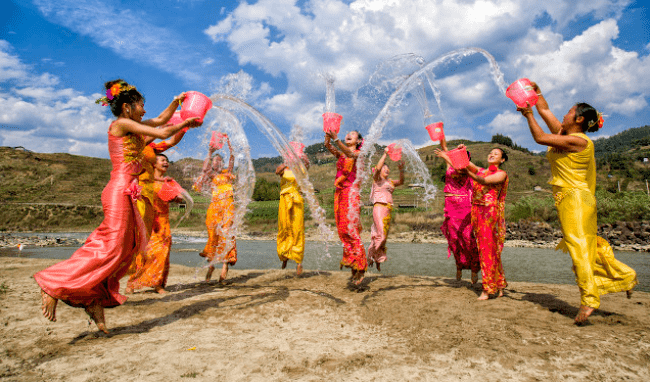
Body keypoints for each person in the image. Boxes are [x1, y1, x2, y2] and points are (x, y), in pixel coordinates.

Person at [34, 79, 201, 333]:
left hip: (129, 192)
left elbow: (159, 120)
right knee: (110, 244)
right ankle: (52, 284)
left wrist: (176, 103)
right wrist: (187, 122)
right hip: (119, 190)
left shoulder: (134, 127)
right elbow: (163, 131)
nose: (144, 111)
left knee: (126, 248)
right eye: (141, 106)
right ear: (127, 107)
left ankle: (92, 298)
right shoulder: (120, 124)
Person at [517, 82, 637, 324]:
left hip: (576, 199)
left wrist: (528, 115)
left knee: (579, 247)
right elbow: (546, 111)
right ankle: (624, 276)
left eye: (569, 112)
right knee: (584, 246)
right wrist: (536, 92)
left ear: (579, 119)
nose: (564, 114)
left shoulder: (580, 142)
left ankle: (589, 300)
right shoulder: (565, 135)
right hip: (568, 199)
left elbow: (540, 137)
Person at [124, 114, 190, 292]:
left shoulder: (153, 149)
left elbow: (170, 142)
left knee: (163, 247)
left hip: (161, 215)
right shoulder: (132, 145)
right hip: (142, 199)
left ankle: (158, 283)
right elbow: (161, 132)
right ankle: (134, 281)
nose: (165, 162)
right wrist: (171, 125)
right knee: (142, 245)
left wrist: (184, 127)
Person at [126, 154, 185, 294]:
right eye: (162, 160)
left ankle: (157, 285)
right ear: (154, 163)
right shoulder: (145, 179)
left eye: (167, 161)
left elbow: (182, 203)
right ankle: (132, 283)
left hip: (163, 222)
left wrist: (178, 200)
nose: (166, 162)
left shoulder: (170, 182)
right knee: (143, 253)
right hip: (145, 220)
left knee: (161, 253)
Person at [461, 146, 509, 300]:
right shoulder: (481, 170)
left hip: (489, 213)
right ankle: (500, 284)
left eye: (496, 154)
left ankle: (488, 289)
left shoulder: (501, 174)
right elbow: (465, 163)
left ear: (502, 160)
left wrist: (467, 172)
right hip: (477, 212)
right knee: (491, 250)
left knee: (486, 250)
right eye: (490, 152)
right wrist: (462, 151)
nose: (491, 154)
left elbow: (484, 181)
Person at [324, 127, 367, 285]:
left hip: (351, 193)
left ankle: (360, 266)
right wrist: (328, 138)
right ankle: (353, 266)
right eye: (348, 133)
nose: (348, 134)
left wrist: (336, 139)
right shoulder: (341, 153)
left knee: (351, 229)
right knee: (343, 230)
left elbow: (350, 154)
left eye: (353, 134)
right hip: (340, 194)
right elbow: (329, 147)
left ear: (358, 141)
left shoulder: (358, 154)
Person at [434, 138, 480, 283]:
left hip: (464, 204)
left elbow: (457, 163)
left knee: (467, 238)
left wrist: (447, 156)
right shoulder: (450, 165)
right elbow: (445, 147)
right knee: (454, 238)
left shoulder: (466, 168)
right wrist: (441, 134)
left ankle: (473, 269)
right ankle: (459, 267)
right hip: (450, 205)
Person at [193, 135, 237, 282]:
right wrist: (210, 152)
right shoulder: (211, 175)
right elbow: (205, 169)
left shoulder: (228, 174)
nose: (217, 162)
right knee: (213, 236)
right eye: (215, 161)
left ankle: (224, 266)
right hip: (215, 208)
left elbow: (232, 159)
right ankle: (211, 265)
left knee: (226, 234)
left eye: (220, 160)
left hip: (228, 207)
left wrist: (230, 145)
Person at [367, 147, 404, 271]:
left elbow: (402, 181)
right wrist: (385, 154)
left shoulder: (390, 182)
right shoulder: (377, 179)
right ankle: (370, 255)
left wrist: (401, 170)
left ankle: (378, 259)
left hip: (388, 210)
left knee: (382, 238)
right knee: (381, 236)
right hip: (379, 208)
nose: (386, 169)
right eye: (384, 167)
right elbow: (377, 168)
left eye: (387, 168)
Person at [275, 154, 310, 276]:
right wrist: (287, 161)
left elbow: (307, 166)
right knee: (284, 227)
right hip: (284, 199)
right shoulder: (284, 168)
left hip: (297, 199)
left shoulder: (299, 169)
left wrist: (303, 158)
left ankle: (298, 261)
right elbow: (277, 171)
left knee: (297, 228)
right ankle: (284, 256)